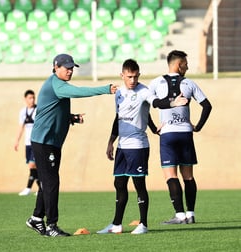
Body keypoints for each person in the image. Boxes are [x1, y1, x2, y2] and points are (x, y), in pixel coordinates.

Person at [25, 53, 117, 237]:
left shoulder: (57, 85)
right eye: (66, 67)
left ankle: (36, 219)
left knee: (47, 182)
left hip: (50, 142)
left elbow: (52, 110)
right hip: (44, 143)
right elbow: (79, 91)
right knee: (51, 183)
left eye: (72, 68)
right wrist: (106, 89)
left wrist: (71, 118)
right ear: (55, 67)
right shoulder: (57, 85)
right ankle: (51, 225)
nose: (70, 71)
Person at [97, 59, 188, 235]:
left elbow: (155, 103)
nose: (132, 80)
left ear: (139, 75)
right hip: (122, 146)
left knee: (139, 184)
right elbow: (119, 118)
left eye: (135, 76)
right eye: (129, 77)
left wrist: (171, 103)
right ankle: (116, 224)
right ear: (122, 75)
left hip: (138, 146)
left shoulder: (144, 91)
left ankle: (143, 224)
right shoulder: (119, 93)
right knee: (119, 183)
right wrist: (111, 142)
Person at [148, 50, 212, 225]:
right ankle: (190, 214)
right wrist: (197, 126)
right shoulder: (189, 83)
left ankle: (180, 215)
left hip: (167, 134)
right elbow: (207, 106)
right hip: (185, 133)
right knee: (188, 176)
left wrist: (154, 128)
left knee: (171, 176)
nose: (187, 66)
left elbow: (145, 106)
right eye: (185, 63)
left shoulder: (155, 83)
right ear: (178, 64)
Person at [14, 89, 40, 196]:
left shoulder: (38, 110)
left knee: (33, 164)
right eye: (30, 98)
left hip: (36, 142)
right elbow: (21, 127)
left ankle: (28, 188)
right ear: (25, 99)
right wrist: (17, 141)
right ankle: (41, 188)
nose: (32, 100)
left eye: (33, 97)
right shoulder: (22, 112)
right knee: (32, 167)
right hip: (27, 143)